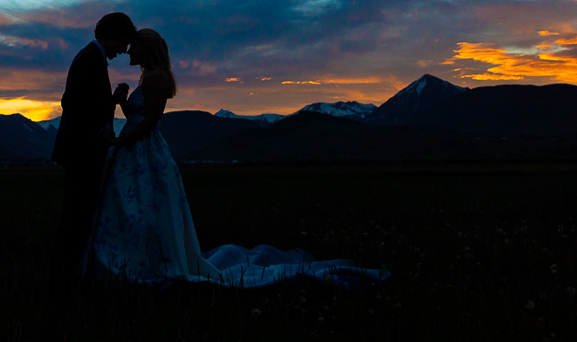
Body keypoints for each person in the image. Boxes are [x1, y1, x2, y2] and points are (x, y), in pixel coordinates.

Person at [83, 28, 389, 288]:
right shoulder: (147, 78)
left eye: (133, 45)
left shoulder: (154, 79)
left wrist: (119, 139)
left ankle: (148, 260)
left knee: (148, 207)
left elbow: (149, 122)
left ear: (145, 48)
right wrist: (120, 104)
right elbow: (140, 116)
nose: (128, 51)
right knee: (140, 208)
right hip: (135, 152)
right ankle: (139, 256)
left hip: (144, 151)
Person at [51, 11, 136, 280]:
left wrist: (111, 101)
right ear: (113, 36)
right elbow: (72, 103)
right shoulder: (90, 59)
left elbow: (87, 103)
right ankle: (63, 275)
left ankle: (70, 271)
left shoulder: (92, 57)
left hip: (83, 152)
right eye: (124, 43)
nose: (124, 51)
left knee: (80, 214)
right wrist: (99, 132)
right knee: (76, 216)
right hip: (82, 153)